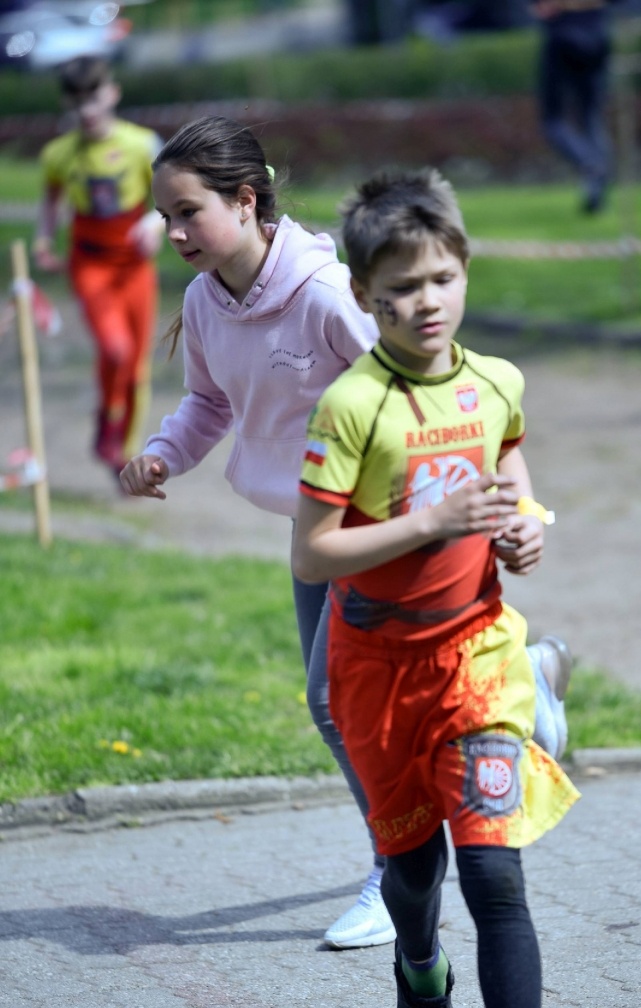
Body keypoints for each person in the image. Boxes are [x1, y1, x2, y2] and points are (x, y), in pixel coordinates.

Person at [292, 167, 580, 1008]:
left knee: (495, 872)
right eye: (404, 286)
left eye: (443, 278)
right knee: (414, 878)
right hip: (377, 670)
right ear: (367, 295)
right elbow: (312, 555)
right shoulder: (352, 404)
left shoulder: (497, 381)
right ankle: (420, 968)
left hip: (479, 657)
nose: (427, 302)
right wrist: (423, 525)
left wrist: (528, 531)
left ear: (466, 273)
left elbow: (514, 481)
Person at [118, 115, 395, 951]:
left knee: (331, 700)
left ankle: (400, 868)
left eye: (187, 212)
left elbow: (402, 387)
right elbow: (209, 402)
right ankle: (524, 693)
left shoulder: (320, 295)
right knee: (334, 708)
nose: (172, 233)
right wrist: (163, 453)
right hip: (308, 524)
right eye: (165, 216)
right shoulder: (205, 298)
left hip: (373, 520)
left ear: (245, 201)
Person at [34, 56, 164, 478]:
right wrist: (43, 239)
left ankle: (122, 449)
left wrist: (151, 220)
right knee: (115, 348)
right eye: (76, 101)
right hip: (90, 263)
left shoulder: (144, 144)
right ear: (67, 104)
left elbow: (172, 197)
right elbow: (51, 203)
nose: (86, 110)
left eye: (93, 97)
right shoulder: (58, 154)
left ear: (112, 93)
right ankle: (107, 423)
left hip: (135, 267)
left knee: (136, 364)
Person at [532, 0, 613, 214]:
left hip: (563, 40)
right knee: (590, 116)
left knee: (553, 121)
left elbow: (542, 10)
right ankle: (597, 179)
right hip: (597, 37)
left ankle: (591, 165)